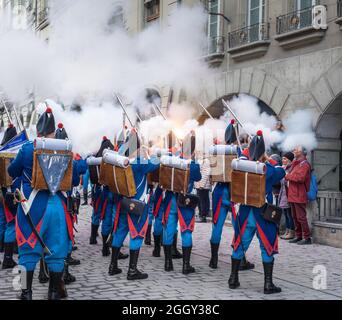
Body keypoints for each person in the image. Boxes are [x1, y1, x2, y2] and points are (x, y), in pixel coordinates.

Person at [8, 105, 77, 300]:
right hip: (56, 206)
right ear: (53, 131)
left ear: (38, 131)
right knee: (56, 251)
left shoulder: (28, 148)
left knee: (27, 251)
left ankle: (25, 292)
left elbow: (12, 171)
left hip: (32, 206)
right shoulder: (64, 149)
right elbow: (72, 181)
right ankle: (54, 292)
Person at [228, 130, 285, 294]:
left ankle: (233, 278)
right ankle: (268, 284)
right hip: (262, 214)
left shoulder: (241, 167)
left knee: (240, 244)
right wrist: (268, 160)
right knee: (266, 246)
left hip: (246, 213)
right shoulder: (267, 169)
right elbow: (280, 171)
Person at [108, 129, 160, 280]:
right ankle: (132, 270)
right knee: (136, 235)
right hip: (137, 204)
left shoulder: (121, 161)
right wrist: (148, 153)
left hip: (123, 202)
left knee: (119, 232)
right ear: (136, 147)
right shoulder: (139, 162)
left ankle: (113, 266)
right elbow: (156, 163)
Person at [209, 120, 254, 271]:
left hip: (219, 193)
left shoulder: (216, 150)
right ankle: (240, 259)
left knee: (217, 226)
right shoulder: (238, 152)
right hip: (234, 193)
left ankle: (213, 259)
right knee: (239, 227)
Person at [162, 134, 202, 274]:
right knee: (186, 231)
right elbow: (198, 177)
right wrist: (193, 159)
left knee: (169, 230)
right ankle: (186, 265)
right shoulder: (193, 165)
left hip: (171, 200)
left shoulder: (172, 161)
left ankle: (168, 263)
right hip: (184, 201)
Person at [286, 146, 312, 245]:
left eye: (296, 150)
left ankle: (307, 237)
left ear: (301, 152)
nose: (294, 151)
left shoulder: (304, 164)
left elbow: (300, 178)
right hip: (293, 194)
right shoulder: (296, 163)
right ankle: (299, 235)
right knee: (295, 216)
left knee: (301, 217)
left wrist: (287, 175)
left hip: (299, 194)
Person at [279, 152, 295, 240]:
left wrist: (284, 173)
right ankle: (287, 231)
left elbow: (286, 180)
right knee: (286, 213)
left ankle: (291, 232)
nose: (283, 160)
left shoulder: (290, 168)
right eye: (283, 158)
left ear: (289, 160)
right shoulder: (283, 168)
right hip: (283, 193)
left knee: (289, 214)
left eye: (285, 159)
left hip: (288, 193)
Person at [195, 155, 211, 223]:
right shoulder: (201, 160)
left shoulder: (206, 161)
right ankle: (202, 215)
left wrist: (201, 185)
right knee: (202, 200)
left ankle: (203, 216)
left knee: (202, 201)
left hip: (202, 185)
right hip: (200, 184)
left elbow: (206, 174)